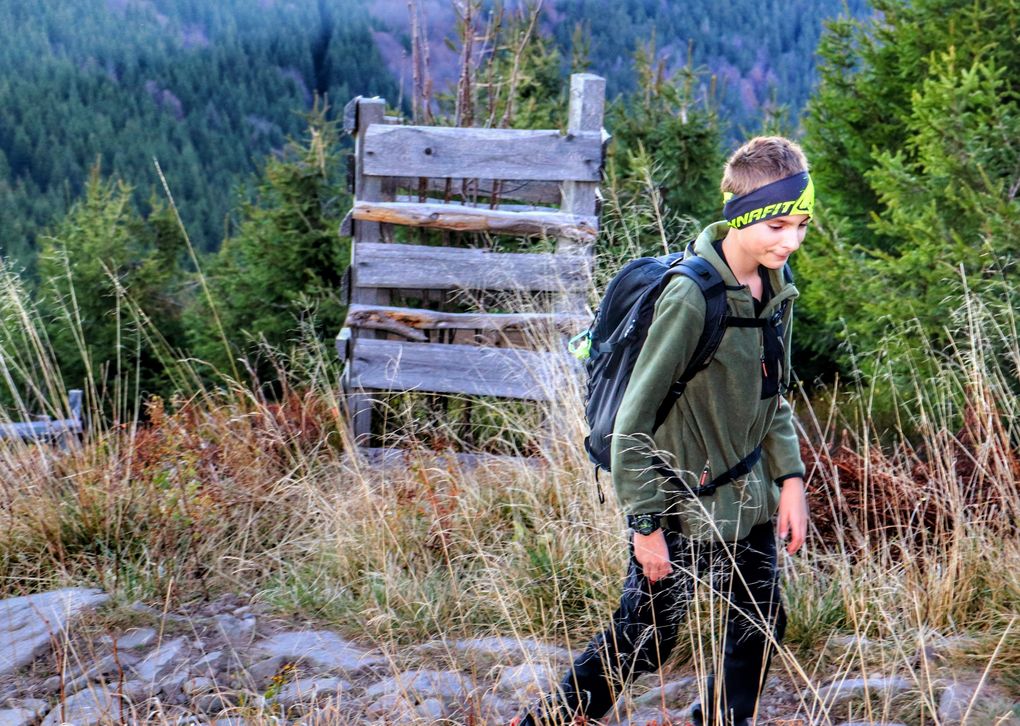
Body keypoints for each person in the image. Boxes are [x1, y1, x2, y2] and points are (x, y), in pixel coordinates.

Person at [513, 136, 813, 726]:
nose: (791, 240)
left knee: (759, 622)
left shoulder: (776, 291)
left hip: (746, 500)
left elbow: (770, 394)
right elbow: (633, 420)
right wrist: (646, 526)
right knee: (645, 639)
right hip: (675, 505)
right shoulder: (691, 297)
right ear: (739, 213)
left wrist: (792, 480)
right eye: (778, 224)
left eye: (801, 225)